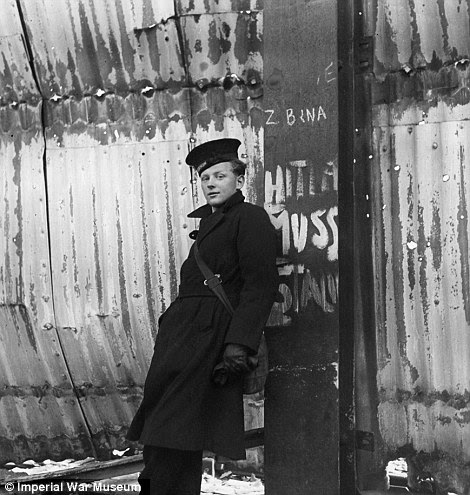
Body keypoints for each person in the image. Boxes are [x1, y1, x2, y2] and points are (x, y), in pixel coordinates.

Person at [127, 138, 279, 494]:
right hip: (180, 340)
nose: (210, 183)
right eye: (205, 177)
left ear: (238, 180)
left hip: (208, 339)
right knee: (161, 429)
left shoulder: (250, 218)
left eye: (220, 175)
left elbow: (260, 284)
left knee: (176, 430)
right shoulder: (212, 225)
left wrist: (239, 343)